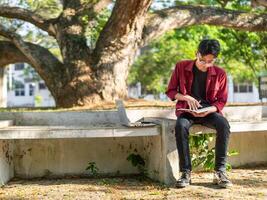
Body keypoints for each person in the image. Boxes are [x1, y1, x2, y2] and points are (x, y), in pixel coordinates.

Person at [165, 39, 233, 188]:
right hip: (187, 111)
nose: (205, 65)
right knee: (180, 126)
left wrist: (212, 109)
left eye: (210, 62)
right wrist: (185, 97)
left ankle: (219, 172)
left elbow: (221, 100)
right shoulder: (181, 67)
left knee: (224, 125)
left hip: (208, 111)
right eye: (202, 60)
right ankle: (185, 173)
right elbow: (170, 91)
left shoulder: (220, 74)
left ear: (215, 59)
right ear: (197, 53)